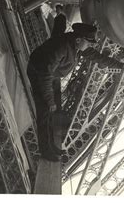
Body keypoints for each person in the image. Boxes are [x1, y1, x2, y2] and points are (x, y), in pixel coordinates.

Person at [27, 23, 97, 161]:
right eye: (88, 43)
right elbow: (45, 74)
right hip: (39, 74)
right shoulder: (62, 46)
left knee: (51, 112)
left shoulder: (75, 44)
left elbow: (96, 56)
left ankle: (50, 145)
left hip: (51, 75)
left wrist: (119, 64)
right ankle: (45, 151)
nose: (89, 46)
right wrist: (50, 100)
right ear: (79, 40)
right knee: (45, 111)